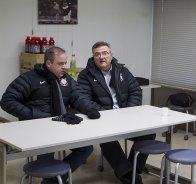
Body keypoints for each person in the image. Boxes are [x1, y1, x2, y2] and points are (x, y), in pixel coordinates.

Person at [0, 46, 100, 184]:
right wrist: (34, 114)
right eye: (60, 64)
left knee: (86, 148)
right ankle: (51, 177)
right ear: (48, 63)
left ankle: (53, 180)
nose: (64, 67)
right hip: (38, 129)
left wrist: (90, 109)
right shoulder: (29, 78)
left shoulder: (66, 79)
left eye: (65, 63)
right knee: (47, 154)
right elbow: (7, 101)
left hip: (60, 125)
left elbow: (79, 96)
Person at [77, 41, 156, 184]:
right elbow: (84, 99)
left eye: (105, 53)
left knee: (149, 133)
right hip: (102, 118)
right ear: (93, 57)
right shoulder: (85, 75)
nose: (102, 57)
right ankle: (126, 174)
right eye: (97, 54)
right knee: (107, 139)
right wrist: (106, 114)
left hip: (125, 116)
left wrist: (128, 111)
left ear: (111, 55)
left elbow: (135, 91)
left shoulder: (122, 71)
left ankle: (134, 169)